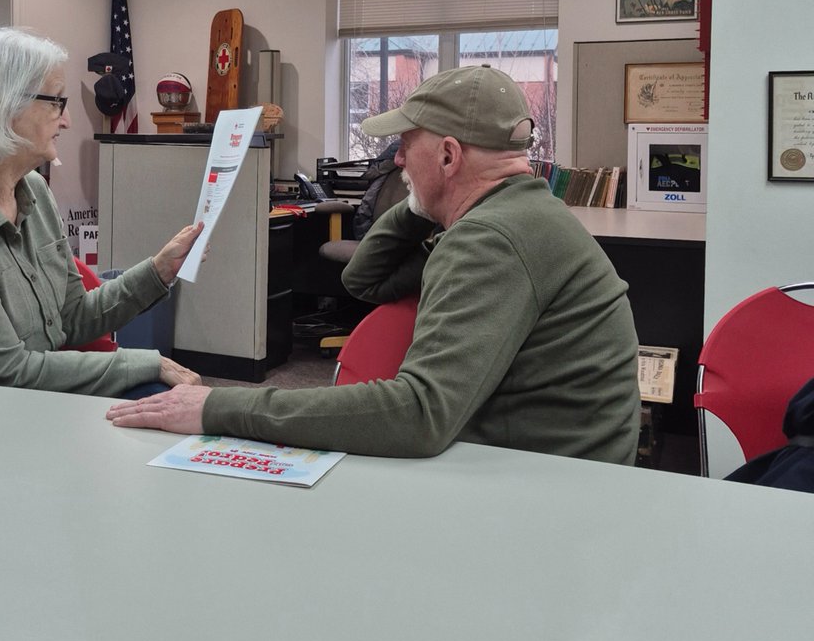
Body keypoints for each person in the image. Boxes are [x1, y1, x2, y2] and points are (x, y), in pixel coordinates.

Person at [107, 64, 641, 464]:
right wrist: (423, 202)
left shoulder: (492, 239)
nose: (399, 160)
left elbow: (418, 415)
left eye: (408, 146)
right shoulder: (516, 213)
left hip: (543, 490)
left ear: (451, 156)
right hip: (543, 466)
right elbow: (364, 280)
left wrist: (215, 407)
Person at [0, 27, 203, 397]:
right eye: (56, 103)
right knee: (154, 395)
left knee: (164, 404)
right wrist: (144, 362)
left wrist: (158, 272)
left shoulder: (33, 189)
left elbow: (72, 318)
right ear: (3, 106)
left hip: (21, 401)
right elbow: (5, 370)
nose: (66, 121)